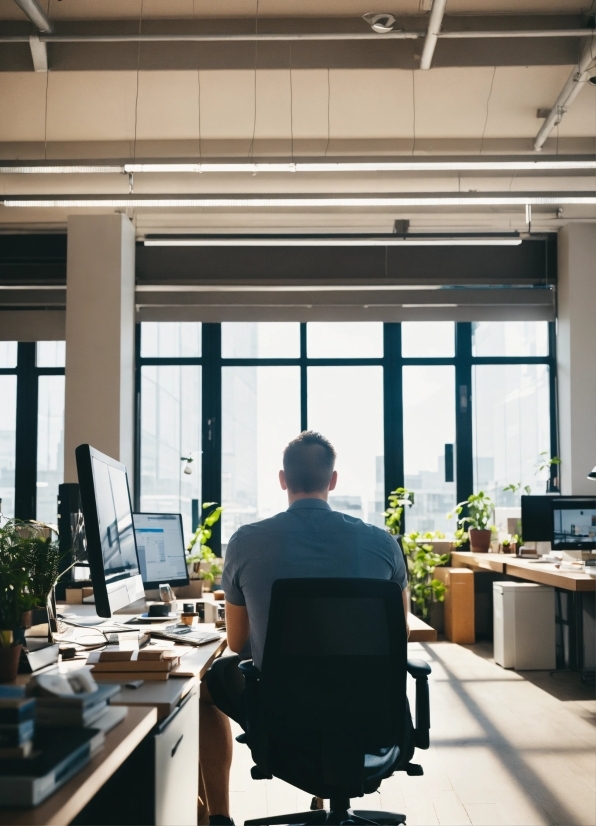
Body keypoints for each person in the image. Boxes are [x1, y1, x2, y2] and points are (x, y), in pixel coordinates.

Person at [199, 431, 409, 825]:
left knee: (202, 692)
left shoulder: (246, 542)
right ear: (332, 480)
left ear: (283, 479)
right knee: (333, 678)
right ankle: (329, 783)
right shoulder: (382, 543)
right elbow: (402, 634)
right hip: (369, 712)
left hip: (283, 713)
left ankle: (219, 818)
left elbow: (238, 642)